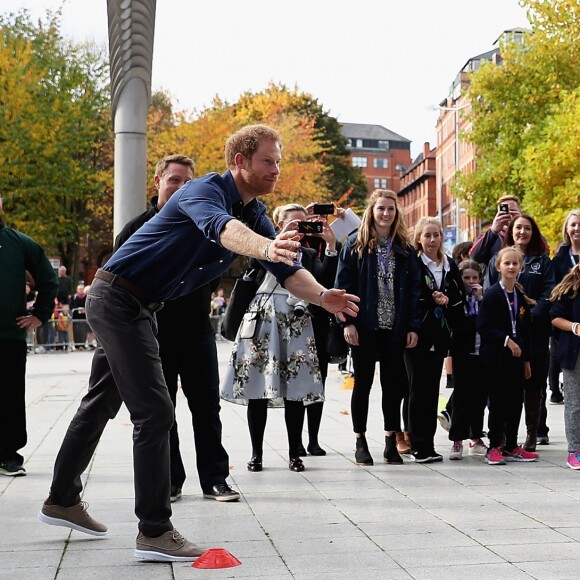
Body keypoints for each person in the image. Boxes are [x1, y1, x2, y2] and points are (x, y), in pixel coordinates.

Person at [38, 124, 359, 563]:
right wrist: (267, 246)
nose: (276, 169)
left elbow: (285, 268)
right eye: (269, 160)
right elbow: (226, 231)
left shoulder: (255, 210)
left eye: (279, 161)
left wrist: (323, 295)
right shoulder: (202, 191)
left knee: (99, 403)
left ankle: (61, 500)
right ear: (240, 161)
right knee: (154, 412)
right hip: (116, 298)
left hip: (140, 305)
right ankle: (154, 530)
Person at [113, 153, 239, 504]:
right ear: (158, 182)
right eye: (174, 180)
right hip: (153, 334)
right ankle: (171, 479)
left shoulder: (205, 223)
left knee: (206, 408)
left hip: (197, 331)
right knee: (161, 409)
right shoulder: (136, 227)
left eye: (188, 182)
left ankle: (215, 478)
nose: (182, 187)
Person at [221, 203, 332, 472]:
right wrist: (275, 240)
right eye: (291, 223)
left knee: (294, 391)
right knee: (257, 389)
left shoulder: (307, 254)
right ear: (277, 223)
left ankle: (295, 453)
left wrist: (331, 247)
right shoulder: (263, 247)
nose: (297, 229)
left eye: (302, 224)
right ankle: (256, 453)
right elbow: (251, 269)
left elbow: (326, 281)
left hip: (296, 323)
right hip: (262, 323)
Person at [335, 190, 420, 466]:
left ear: (397, 214)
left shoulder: (405, 249)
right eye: (381, 208)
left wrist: (412, 326)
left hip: (394, 328)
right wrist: (347, 322)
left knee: (393, 386)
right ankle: (360, 440)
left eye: (391, 209)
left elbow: (415, 292)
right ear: (371, 211)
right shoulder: (354, 244)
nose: (385, 214)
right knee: (363, 383)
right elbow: (342, 286)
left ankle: (389, 441)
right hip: (364, 326)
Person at [0, 196, 58, 476]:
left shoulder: (19, 243)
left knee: (9, 396)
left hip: (9, 336)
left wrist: (40, 314)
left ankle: (8, 454)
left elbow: (49, 279)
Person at [487, 214, 554, 451]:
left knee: (534, 383)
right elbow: (491, 292)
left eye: (527, 228)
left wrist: (530, 314)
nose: (522, 232)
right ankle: (502, 437)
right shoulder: (501, 257)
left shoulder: (543, 261)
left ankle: (532, 433)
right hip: (506, 337)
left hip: (534, 333)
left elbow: (549, 293)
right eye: (518, 228)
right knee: (506, 388)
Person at [404, 217, 464, 463]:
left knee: (431, 390)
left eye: (436, 235)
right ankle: (417, 444)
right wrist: (431, 297)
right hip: (416, 334)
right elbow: (409, 295)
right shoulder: (413, 263)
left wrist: (447, 298)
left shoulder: (449, 263)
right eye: (427, 235)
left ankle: (428, 444)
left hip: (440, 335)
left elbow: (458, 291)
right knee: (417, 389)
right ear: (419, 238)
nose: (432, 240)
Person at [478, 246, 537, 465]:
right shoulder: (493, 294)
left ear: (521, 267)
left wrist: (527, 359)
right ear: (498, 266)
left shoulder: (520, 295)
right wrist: (506, 340)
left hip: (516, 359)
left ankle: (512, 445)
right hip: (497, 358)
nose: (511, 267)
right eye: (507, 263)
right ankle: (494, 446)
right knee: (498, 402)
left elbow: (524, 330)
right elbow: (484, 326)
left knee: (515, 401)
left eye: (515, 263)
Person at [447, 260, 488, 459]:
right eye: (466, 278)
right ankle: (457, 439)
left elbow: (488, 322)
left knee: (479, 397)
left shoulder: (485, 299)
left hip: (483, 353)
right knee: (461, 396)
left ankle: (476, 436)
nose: (471, 282)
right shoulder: (457, 299)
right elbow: (459, 325)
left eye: (475, 277)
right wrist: (474, 320)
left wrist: (480, 300)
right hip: (463, 353)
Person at [549, 264, 580, 469]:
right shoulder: (570, 286)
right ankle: (575, 450)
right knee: (575, 403)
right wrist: (575, 326)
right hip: (574, 352)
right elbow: (555, 318)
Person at [549, 209, 580, 404]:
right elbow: (553, 292)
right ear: (566, 229)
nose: (577, 228)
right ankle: (555, 390)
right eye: (573, 224)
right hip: (566, 320)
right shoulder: (559, 260)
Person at [469, 194, 522, 268]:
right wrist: (493, 231)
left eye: (513, 211)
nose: (509, 214)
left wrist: (521, 224)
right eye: (505, 212)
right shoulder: (489, 237)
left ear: (520, 213)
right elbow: (474, 257)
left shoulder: (528, 235)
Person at [70, 284, 88, 349]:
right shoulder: (74, 297)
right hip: (76, 317)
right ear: (77, 290)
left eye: (82, 289)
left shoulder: (86, 297)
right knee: (76, 331)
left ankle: (83, 344)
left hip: (84, 317)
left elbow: (88, 305)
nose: (81, 290)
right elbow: (71, 306)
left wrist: (84, 309)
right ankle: (76, 345)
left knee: (83, 331)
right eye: (79, 289)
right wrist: (77, 308)